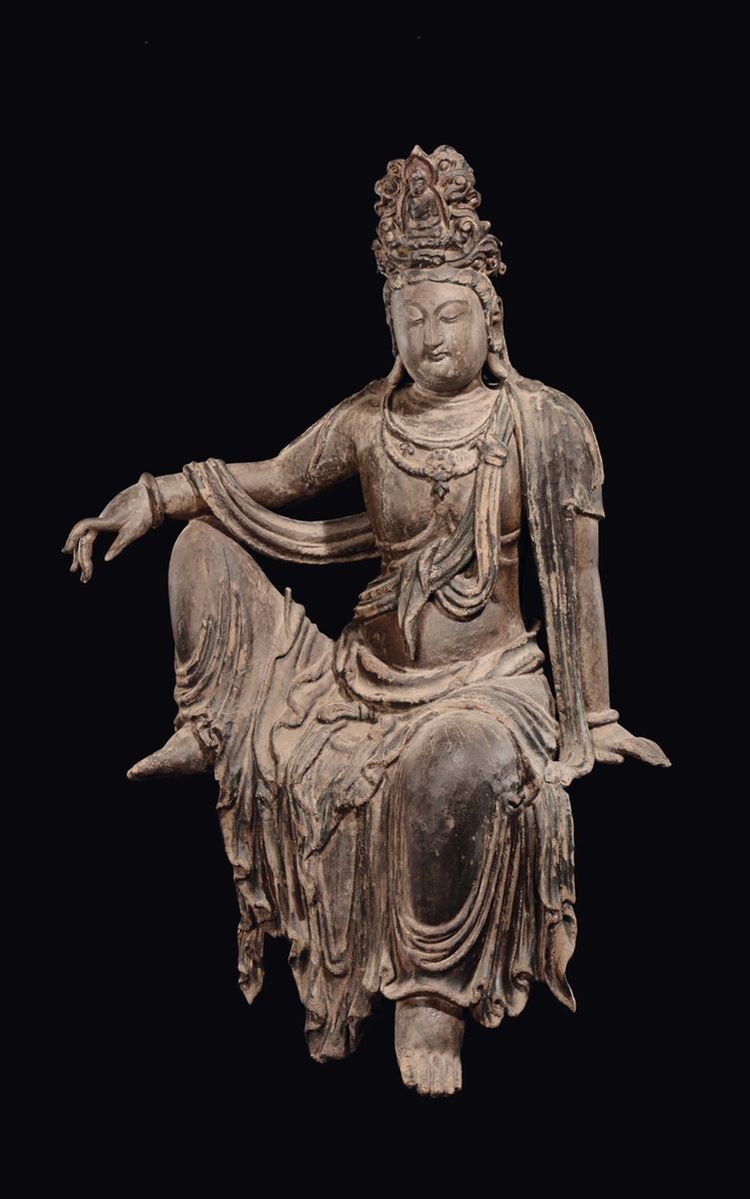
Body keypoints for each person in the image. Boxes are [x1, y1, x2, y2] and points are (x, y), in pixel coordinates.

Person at [63, 144, 669, 1097]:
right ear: (391, 325)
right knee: (202, 547)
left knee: (455, 765)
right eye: (412, 317)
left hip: (486, 688)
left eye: (450, 314)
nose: (433, 337)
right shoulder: (365, 422)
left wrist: (596, 716)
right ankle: (209, 721)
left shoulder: (545, 425)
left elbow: (579, 581)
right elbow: (270, 480)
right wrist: (155, 494)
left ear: (491, 317)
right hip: (358, 680)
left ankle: (430, 1001)